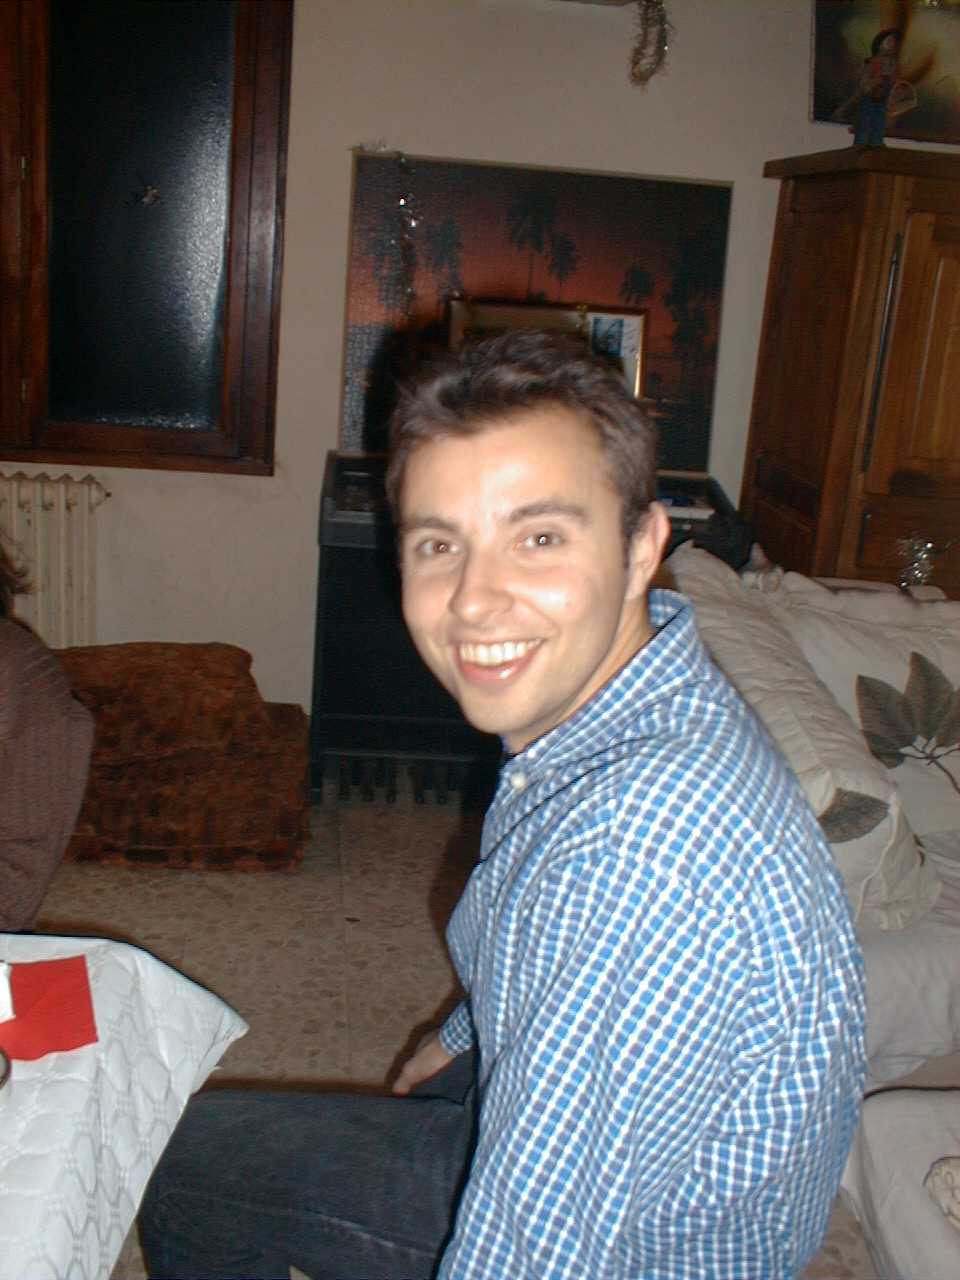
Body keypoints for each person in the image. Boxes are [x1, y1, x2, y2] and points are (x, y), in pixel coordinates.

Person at [139, 331, 866, 1278]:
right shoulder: (638, 698)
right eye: (439, 544)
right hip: (631, 1125)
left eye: (540, 537)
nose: (475, 602)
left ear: (641, 547)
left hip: (650, 1252)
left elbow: (534, 1250)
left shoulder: (635, 851)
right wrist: (465, 1035)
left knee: (184, 1163)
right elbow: (537, 937)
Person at [853, 28, 903, 146]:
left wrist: (895, 91)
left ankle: (876, 143)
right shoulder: (872, 63)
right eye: (888, 41)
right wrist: (873, 83)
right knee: (865, 122)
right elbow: (864, 82)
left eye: (894, 42)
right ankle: (861, 143)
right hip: (870, 98)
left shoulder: (894, 64)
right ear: (879, 43)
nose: (891, 45)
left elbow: (896, 82)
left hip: (884, 99)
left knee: (879, 123)